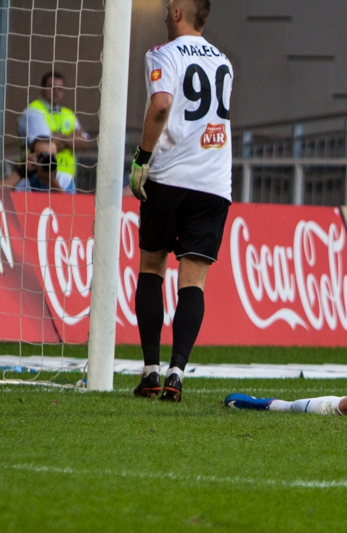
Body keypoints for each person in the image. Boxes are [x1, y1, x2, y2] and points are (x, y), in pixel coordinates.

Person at [131, 0, 233, 402]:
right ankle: (177, 372)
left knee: (152, 267)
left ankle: (151, 370)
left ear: (176, 14)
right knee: (193, 280)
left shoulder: (162, 54)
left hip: (170, 177)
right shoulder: (223, 61)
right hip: (213, 183)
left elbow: (161, 104)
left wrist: (141, 158)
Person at [17, 71, 89, 180]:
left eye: (60, 89)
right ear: (42, 88)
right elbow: (44, 146)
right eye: (52, 87)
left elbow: (83, 143)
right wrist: (70, 138)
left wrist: (55, 137)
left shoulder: (69, 114)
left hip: (67, 178)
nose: (56, 92)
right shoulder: (33, 111)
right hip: (38, 177)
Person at [0, 137, 74, 193]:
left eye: (52, 157)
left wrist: (52, 181)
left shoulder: (64, 180)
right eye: (43, 156)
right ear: (32, 156)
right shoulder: (25, 181)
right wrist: (21, 172)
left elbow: (69, 209)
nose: (48, 161)